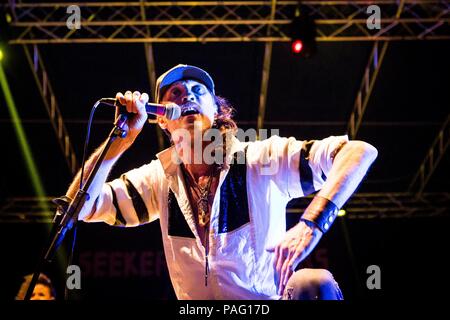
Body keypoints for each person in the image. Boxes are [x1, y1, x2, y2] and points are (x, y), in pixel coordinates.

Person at [66, 64, 377, 300]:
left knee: (313, 283)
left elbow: (358, 151)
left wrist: (311, 224)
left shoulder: (260, 156)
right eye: (175, 92)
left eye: (198, 90)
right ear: (161, 118)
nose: (186, 93)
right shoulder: (157, 178)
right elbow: (82, 207)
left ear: (215, 111)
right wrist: (119, 140)